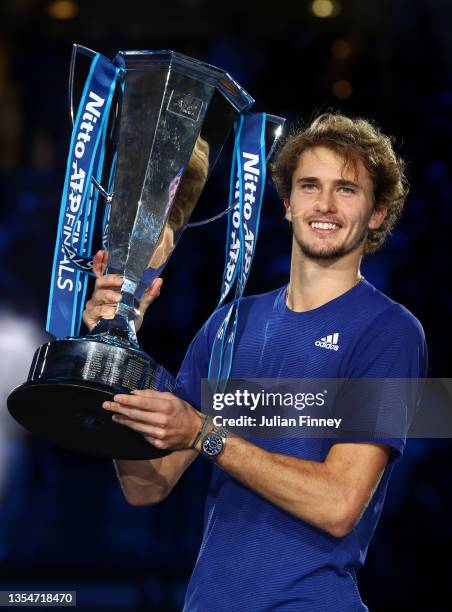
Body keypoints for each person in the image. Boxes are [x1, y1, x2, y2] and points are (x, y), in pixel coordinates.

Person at [83, 113, 428, 611]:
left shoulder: (390, 331)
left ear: (378, 212)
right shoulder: (230, 324)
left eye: (347, 189)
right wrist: (117, 349)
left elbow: (338, 504)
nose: (325, 205)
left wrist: (206, 433)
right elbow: (147, 485)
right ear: (287, 204)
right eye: (310, 186)